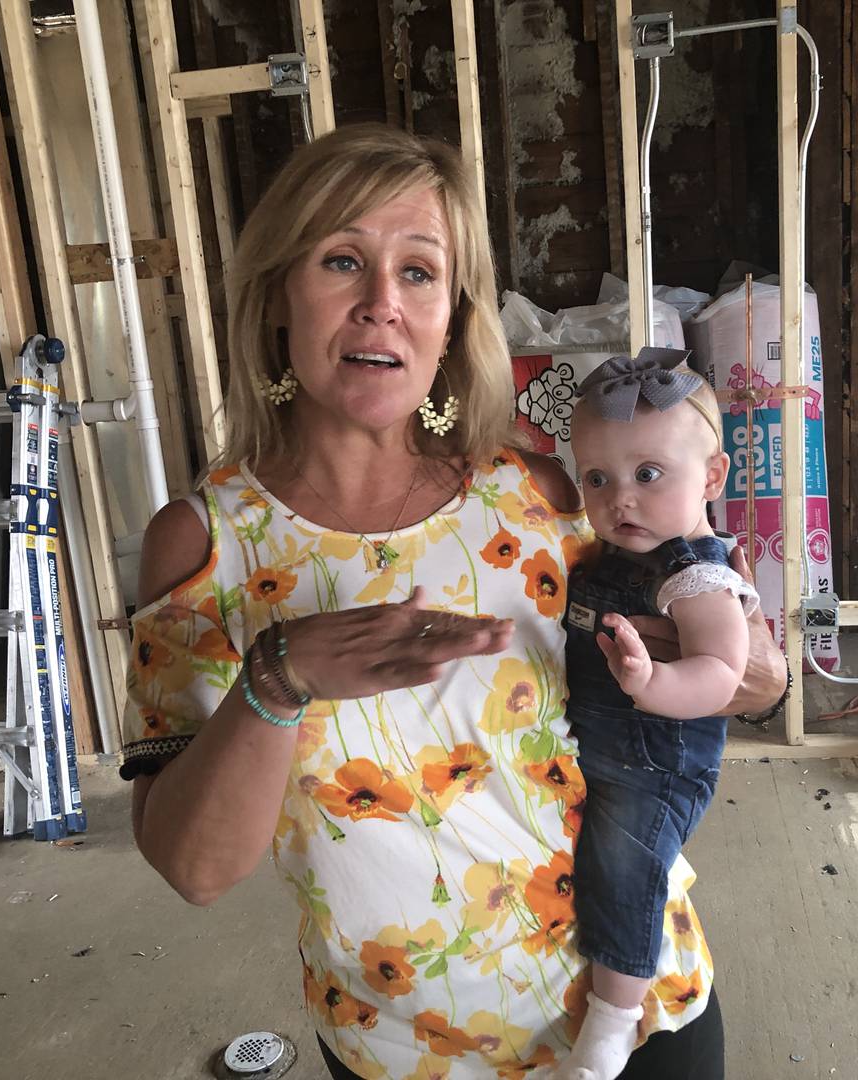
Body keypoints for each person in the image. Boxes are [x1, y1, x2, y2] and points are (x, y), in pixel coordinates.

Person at [122, 123, 787, 1080]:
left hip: (634, 1015)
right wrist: (280, 676)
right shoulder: (206, 545)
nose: (381, 306)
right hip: (402, 1048)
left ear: (451, 312)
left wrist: (728, 663)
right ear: (277, 293)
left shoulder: (543, 492)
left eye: (419, 273)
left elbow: (754, 682)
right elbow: (195, 869)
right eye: (342, 261)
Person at [552, 351, 757, 1080]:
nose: (620, 500)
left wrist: (650, 681)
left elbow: (720, 675)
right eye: (597, 479)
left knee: (622, 871)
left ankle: (610, 1021)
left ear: (711, 477)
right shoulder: (605, 554)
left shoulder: (696, 574)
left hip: (656, 763)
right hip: (605, 748)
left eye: (647, 475)